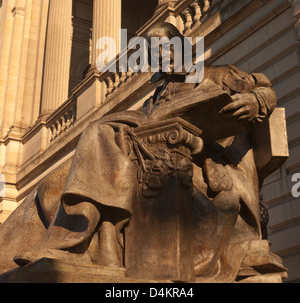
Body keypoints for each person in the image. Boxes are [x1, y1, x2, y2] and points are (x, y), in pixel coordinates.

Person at [0, 23, 285, 282]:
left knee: (101, 136)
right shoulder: (155, 99)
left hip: (200, 170)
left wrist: (256, 101)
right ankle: (68, 246)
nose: (163, 56)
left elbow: (264, 89)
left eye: (168, 48)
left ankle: (74, 241)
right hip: (151, 164)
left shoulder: (215, 75)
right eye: (156, 53)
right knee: (59, 178)